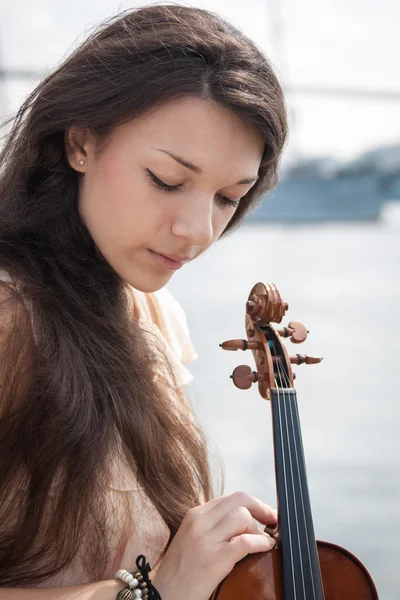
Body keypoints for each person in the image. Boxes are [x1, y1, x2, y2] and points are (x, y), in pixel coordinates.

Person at [0, 3, 287, 599]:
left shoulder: (151, 312)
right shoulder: (9, 318)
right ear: (80, 143)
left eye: (228, 198)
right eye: (167, 180)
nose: (199, 230)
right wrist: (148, 593)